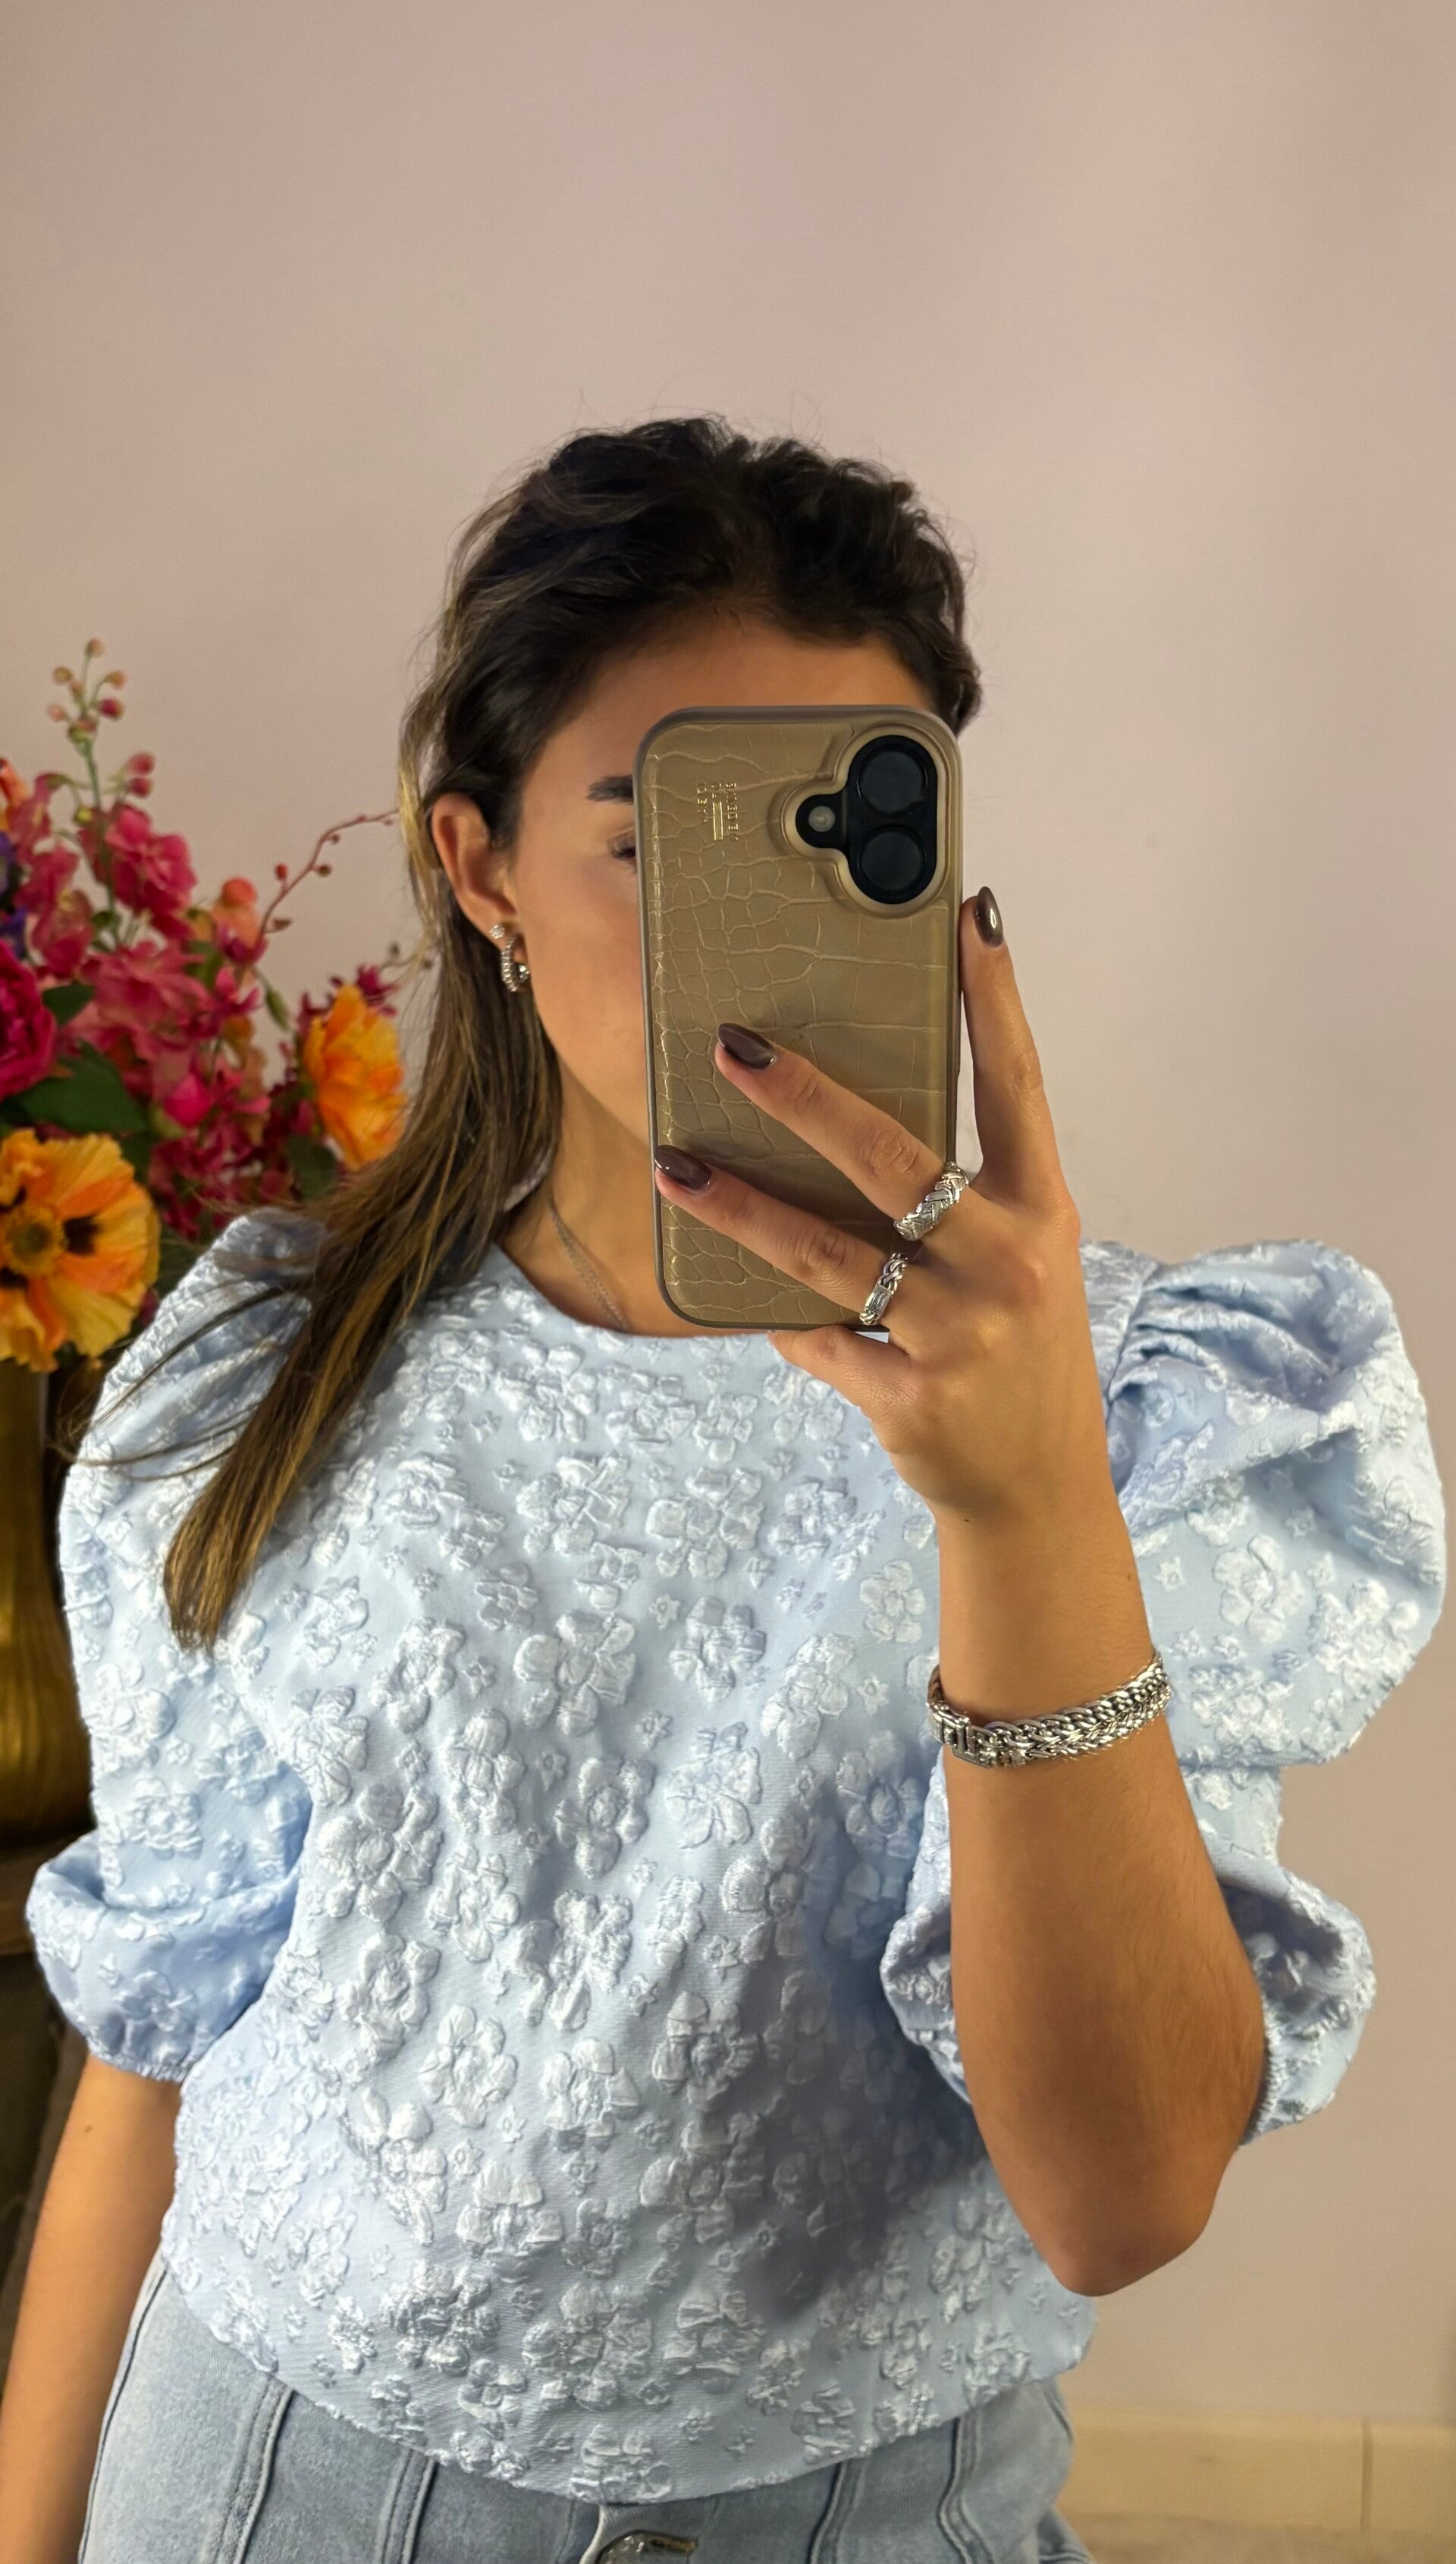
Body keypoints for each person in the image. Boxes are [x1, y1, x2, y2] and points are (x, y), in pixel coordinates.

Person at [0, 416, 1443, 2564]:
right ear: (480, 867)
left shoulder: (1151, 1405)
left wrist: (1029, 1507)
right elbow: (157, 2050)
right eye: (653, 840)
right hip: (256, 2486)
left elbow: (1125, 2196)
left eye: (835, 839)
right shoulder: (275, 1372)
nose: (731, 941)